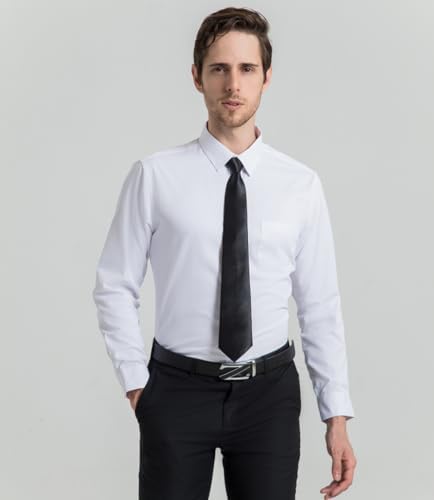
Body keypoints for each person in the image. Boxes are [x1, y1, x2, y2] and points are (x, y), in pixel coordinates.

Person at [92, 6, 357, 500]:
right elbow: (114, 285)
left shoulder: (300, 185)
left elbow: (319, 305)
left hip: (268, 397)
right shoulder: (155, 177)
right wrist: (137, 386)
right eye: (219, 68)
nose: (233, 84)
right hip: (176, 390)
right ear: (197, 77)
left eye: (247, 68)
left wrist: (336, 414)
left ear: (266, 77)